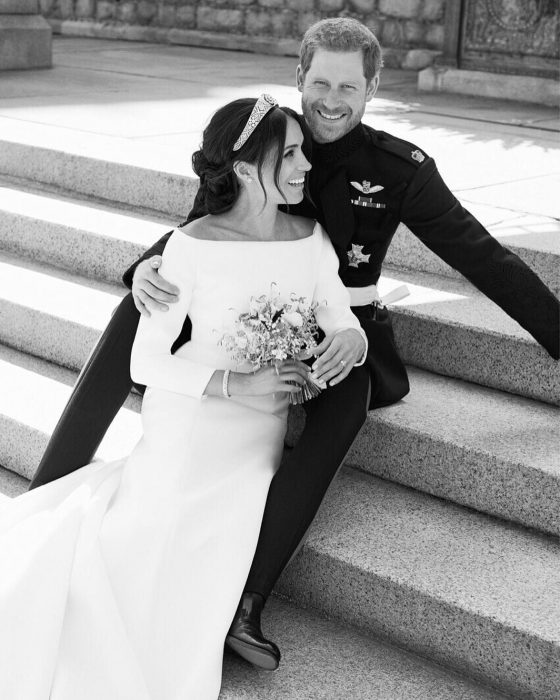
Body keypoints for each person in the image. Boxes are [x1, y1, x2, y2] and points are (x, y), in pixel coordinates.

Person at [29, 18, 559, 672]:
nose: (332, 102)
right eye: (320, 84)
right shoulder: (266, 136)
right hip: (250, 315)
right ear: (300, 78)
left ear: (373, 90)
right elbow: (208, 227)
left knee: (351, 395)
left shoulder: (399, 170)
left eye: (350, 87)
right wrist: (145, 266)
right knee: (134, 310)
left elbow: (485, 257)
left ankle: (247, 601)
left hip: (338, 323)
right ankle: (47, 490)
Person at [0, 96, 367, 699]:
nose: (307, 166)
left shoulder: (310, 234)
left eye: (304, 152)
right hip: (192, 415)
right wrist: (235, 382)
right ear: (247, 169)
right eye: (293, 154)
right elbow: (146, 360)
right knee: (150, 542)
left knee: (227, 524)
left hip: (258, 430)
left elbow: (335, 310)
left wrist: (349, 341)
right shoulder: (191, 245)